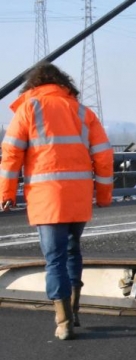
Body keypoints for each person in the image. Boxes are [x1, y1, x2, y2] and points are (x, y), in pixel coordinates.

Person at [1, 62, 113, 340]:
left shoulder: (30, 108)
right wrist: (104, 194)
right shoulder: (81, 111)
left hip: (46, 197)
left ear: (33, 84)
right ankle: (73, 312)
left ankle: (62, 320)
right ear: (64, 83)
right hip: (79, 196)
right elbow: (103, 155)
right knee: (73, 252)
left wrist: (6, 192)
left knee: (54, 259)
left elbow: (11, 154)